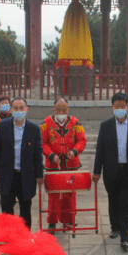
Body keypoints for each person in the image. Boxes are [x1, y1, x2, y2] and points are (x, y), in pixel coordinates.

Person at [93, 92, 128, 251]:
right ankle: (114, 227)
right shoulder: (106, 125)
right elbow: (100, 150)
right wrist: (97, 171)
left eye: (123, 106)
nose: (120, 109)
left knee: (126, 204)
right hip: (111, 170)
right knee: (113, 200)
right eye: (117, 106)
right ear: (112, 107)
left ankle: (125, 237)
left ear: (127, 106)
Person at [0, 97, 44, 230]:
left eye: (22, 108)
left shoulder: (34, 129)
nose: (19, 111)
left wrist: (39, 175)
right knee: (6, 207)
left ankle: (25, 238)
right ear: (11, 110)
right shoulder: (3, 126)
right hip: (7, 173)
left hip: (26, 175)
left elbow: (37, 154)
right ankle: (7, 237)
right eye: (16, 108)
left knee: (25, 208)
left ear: (26, 110)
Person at [41, 97, 87, 231]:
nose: (61, 112)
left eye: (64, 110)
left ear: (68, 109)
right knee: (53, 194)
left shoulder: (76, 123)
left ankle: (69, 220)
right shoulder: (45, 123)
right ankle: (52, 221)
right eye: (58, 109)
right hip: (53, 164)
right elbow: (42, 142)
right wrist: (51, 155)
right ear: (53, 109)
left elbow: (82, 141)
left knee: (70, 194)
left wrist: (74, 151)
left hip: (70, 164)